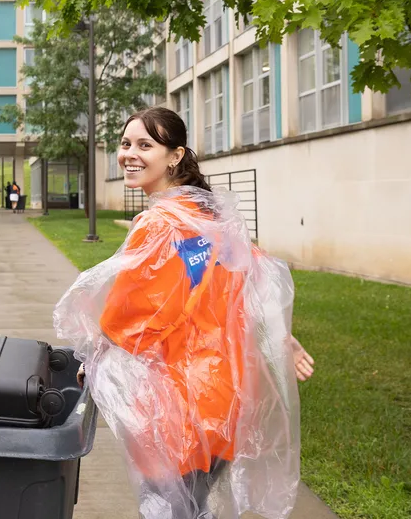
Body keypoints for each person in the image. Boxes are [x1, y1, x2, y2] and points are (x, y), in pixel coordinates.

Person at [54, 106, 308, 519]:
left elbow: (136, 309)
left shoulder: (159, 224)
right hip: (224, 396)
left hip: (178, 402)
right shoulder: (212, 217)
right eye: (125, 144)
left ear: (175, 156)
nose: (129, 154)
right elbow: (256, 279)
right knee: (194, 505)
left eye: (145, 145)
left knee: (170, 509)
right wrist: (284, 337)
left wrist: (95, 354)